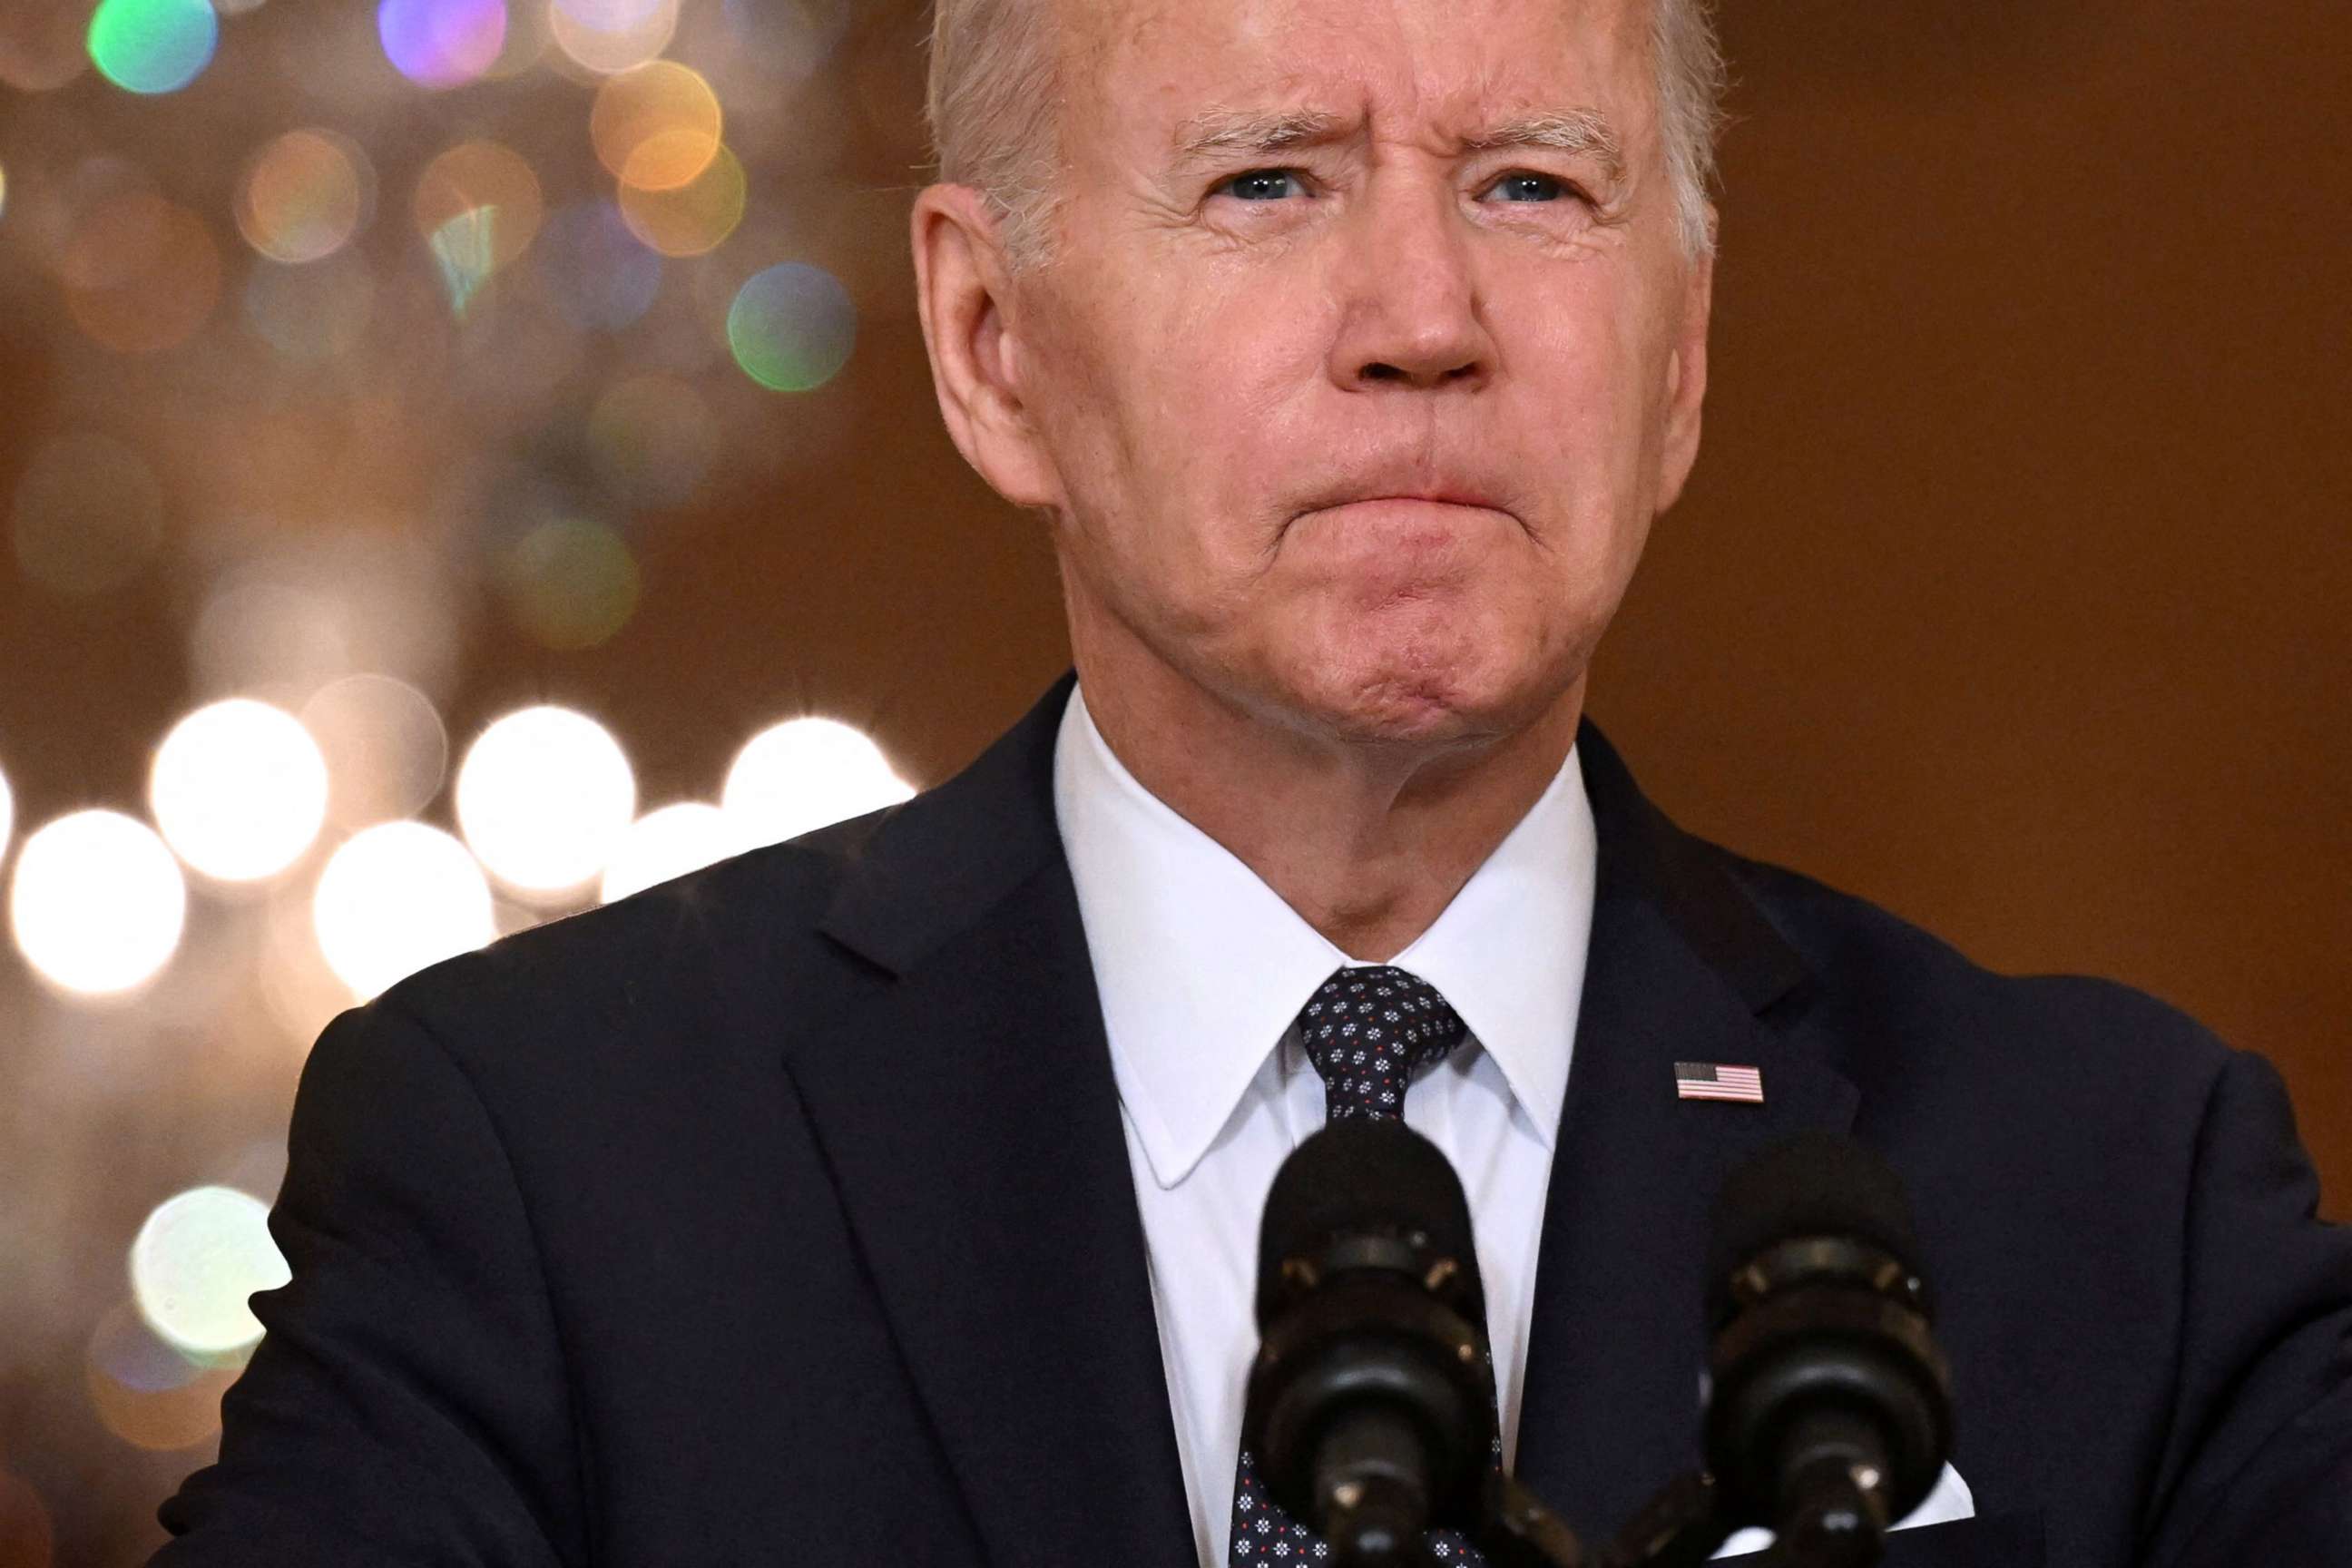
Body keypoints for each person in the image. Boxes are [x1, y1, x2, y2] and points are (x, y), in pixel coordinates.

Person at [153, 0, 2351, 1563]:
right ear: (990, 342)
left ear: (1677, 364)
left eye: (1530, 182)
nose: (1422, 312)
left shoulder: (2112, 1195)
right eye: (1270, 179)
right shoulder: (555, 1163)